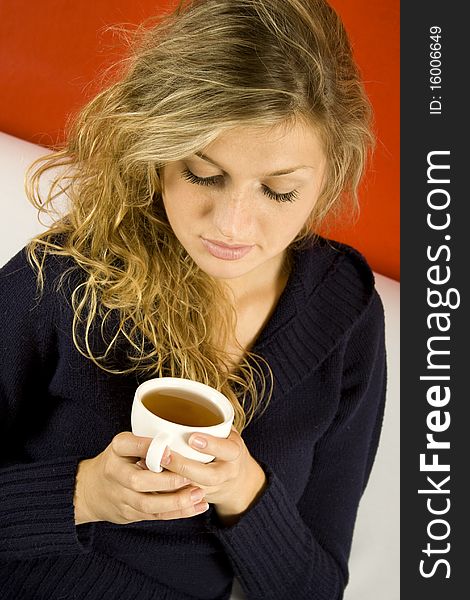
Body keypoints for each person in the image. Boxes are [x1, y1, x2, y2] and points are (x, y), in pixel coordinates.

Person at [0, 1, 386, 598]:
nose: (231, 224)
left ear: (329, 176)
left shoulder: (346, 311)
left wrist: (247, 497)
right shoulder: (65, 276)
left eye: (279, 191)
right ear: (158, 152)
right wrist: (79, 495)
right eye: (204, 175)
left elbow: (316, 587)